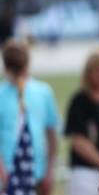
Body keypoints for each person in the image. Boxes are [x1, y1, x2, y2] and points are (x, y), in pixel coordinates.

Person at [0, 41, 59, 195]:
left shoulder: (43, 92)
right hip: (7, 171)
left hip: (37, 170)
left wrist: (49, 170)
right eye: (15, 70)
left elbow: (51, 134)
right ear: (6, 68)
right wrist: (3, 173)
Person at [65, 50, 99, 195]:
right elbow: (78, 140)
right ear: (89, 74)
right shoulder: (80, 101)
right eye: (98, 70)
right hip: (86, 170)